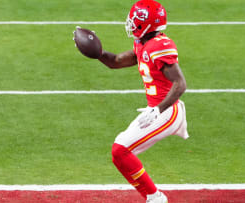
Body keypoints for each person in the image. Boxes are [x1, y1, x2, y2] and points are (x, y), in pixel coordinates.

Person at [77, 0, 189, 202]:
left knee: (120, 150)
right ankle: (154, 196)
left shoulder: (159, 46)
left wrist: (158, 110)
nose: (130, 23)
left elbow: (180, 84)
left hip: (166, 111)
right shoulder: (144, 44)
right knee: (119, 151)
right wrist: (97, 53)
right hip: (156, 110)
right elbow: (116, 62)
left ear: (147, 23)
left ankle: (155, 197)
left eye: (135, 20)